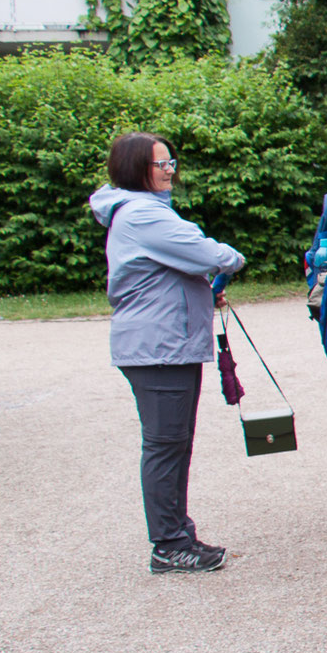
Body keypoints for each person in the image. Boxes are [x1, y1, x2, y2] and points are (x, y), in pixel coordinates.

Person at [90, 133, 247, 573]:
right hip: (158, 349)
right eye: (160, 164)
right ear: (135, 168)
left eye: (171, 162)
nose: (169, 171)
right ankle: (169, 543)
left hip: (162, 345)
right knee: (165, 446)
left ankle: (177, 535)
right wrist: (226, 260)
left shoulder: (139, 212)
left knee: (172, 444)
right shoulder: (144, 215)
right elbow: (211, 254)